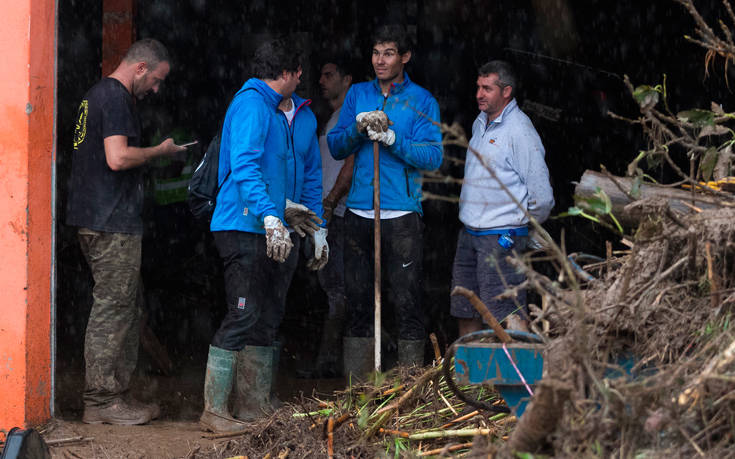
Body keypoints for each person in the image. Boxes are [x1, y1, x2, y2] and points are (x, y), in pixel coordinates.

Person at [201, 38, 325, 433]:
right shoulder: (253, 105)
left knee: (268, 316)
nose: (301, 79)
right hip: (243, 226)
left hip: (277, 228)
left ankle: (253, 404)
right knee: (242, 312)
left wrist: (314, 224)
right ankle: (214, 410)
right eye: (299, 73)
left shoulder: (296, 114)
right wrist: (271, 215)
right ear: (289, 73)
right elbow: (244, 166)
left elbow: (309, 173)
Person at [66, 38, 187, 425]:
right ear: (140, 68)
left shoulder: (95, 95)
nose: (156, 89)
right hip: (110, 221)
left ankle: (112, 396)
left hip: (96, 218)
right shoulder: (116, 98)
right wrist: (159, 152)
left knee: (122, 307)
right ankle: (103, 401)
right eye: (155, 80)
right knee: (113, 310)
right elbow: (117, 158)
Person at [327, 25, 443, 377]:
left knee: (406, 301)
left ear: (404, 57)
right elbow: (335, 146)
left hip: (402, 212)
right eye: (376, 52)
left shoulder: (422, 101)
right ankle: (358, 390)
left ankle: (409, 387)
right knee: (358, 301)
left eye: (389, 53)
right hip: (360, 210)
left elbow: (433, 157)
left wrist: (393, 138)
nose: (380, 60)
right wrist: (357, 129)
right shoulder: (358, 95)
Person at [450, 60, 554, 337]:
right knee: (466, 306)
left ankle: (510, 378)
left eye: (487, 88)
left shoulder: (520, 131)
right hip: (469, 234)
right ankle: (469, 379)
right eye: (478, 87)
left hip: (500, 238)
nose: (479, 94)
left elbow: (542, 197)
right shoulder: (479, 122)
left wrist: (521, 227)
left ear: (506, 92)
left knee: (505, 313)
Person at [306, 57, 354, 377]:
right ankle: (329, 362)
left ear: (347, 79)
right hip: (326, 212)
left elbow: (352, 164)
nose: (322, 80)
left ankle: (330, 364)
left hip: (339, 213)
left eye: (329, 74)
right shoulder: (333, 117)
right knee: (331, 289)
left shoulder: (348, 117)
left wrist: (332, 200)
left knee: (339, 290)